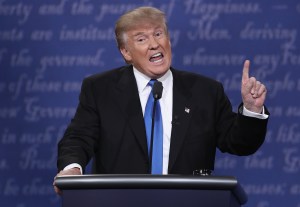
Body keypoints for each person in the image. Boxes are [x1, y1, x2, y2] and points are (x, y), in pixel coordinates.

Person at [54, 6, 269, 194]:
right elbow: (78, 138)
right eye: (141, 39)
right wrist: (72, 168)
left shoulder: (205, 91)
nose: (154, 44)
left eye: (158, 34)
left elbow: (239, 143)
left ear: (168, 40)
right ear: (126, 52)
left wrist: (251, 111)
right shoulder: (100, 89)